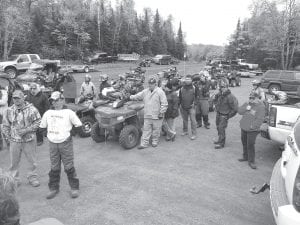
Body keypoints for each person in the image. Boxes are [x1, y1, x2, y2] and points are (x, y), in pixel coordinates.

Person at [40, 91, 82, 199]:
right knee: (54, 167)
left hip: (65, 143)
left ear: (62, 100)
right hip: (52, 144)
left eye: (57, 100)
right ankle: (53, 188)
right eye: (53, 101)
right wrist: (47, 135)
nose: (55, 102)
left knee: (69, 166)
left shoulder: (69, 112)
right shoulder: (48, 113)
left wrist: (69, 135)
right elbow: (42, 126)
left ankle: (74, 188)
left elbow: (78, 125)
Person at [2, 90, 41, 187]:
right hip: (14, 141)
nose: (16, 100)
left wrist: (26, 130)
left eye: (18, 98)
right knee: (13, 162)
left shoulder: (32, 109)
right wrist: (8, 137)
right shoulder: (9, 110)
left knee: (32, 161)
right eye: (14, 98)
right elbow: (5, 125)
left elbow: (38, 122)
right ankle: (14, 180)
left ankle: (32, 177)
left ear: (23, 98)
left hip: (29, 140)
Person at [130, 78, 168, 149]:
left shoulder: (160, 92)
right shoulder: (145, 91)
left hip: (157, 115)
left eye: (152, 84)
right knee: (146, 130)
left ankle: (154, 141)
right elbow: (138, 96)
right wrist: (130, 97)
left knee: (156, 130)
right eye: (149, 84)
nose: (150, 85)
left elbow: (164, 103)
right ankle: (144, 144)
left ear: (155, 84)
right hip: (147, 114)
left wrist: (161, 112)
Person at [238, 92, 265, 169]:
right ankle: (245, 157)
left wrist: (252, 126)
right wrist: (245, 108)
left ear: (257, 98)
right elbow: (239, 111)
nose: (251, 99)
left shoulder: (261, 107)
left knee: (250, 145)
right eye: (250, 98)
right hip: (244, 127)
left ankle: (251, 161)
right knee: (244, 143)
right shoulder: (247, 103)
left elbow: (260, 119)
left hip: (252, 130)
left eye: (253, 98)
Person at [213, 79, 238, 149]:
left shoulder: (230, 96)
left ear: (227, 87)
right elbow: (215, 100)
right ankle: (220, 139)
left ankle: (221, 143)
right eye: (221, 87)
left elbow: (235, 109)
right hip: (219, 113)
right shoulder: (220, 94)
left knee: (221, 128)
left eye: (224, 87)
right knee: (218, 127)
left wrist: (228, 116)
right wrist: (216, 105)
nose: (222, 88)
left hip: (224, 115)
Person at [179, 75, 198, 140]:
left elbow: (197, 96)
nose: (187, 80)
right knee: (185, 120)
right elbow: (180, 97)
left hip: (191, 107)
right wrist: (180, 104)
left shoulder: (194, 87)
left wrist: (194, 103)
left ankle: (194, 134)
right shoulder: (182, 88)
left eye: (189, 79)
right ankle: (185, 131)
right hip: (183, 107)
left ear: (191, 80)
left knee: (193, 121)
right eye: (186, 79)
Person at [0, 85, 8, 151]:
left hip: (3, 113)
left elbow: (3, 102)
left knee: (5, 129)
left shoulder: (4, 92)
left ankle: (10, 143)